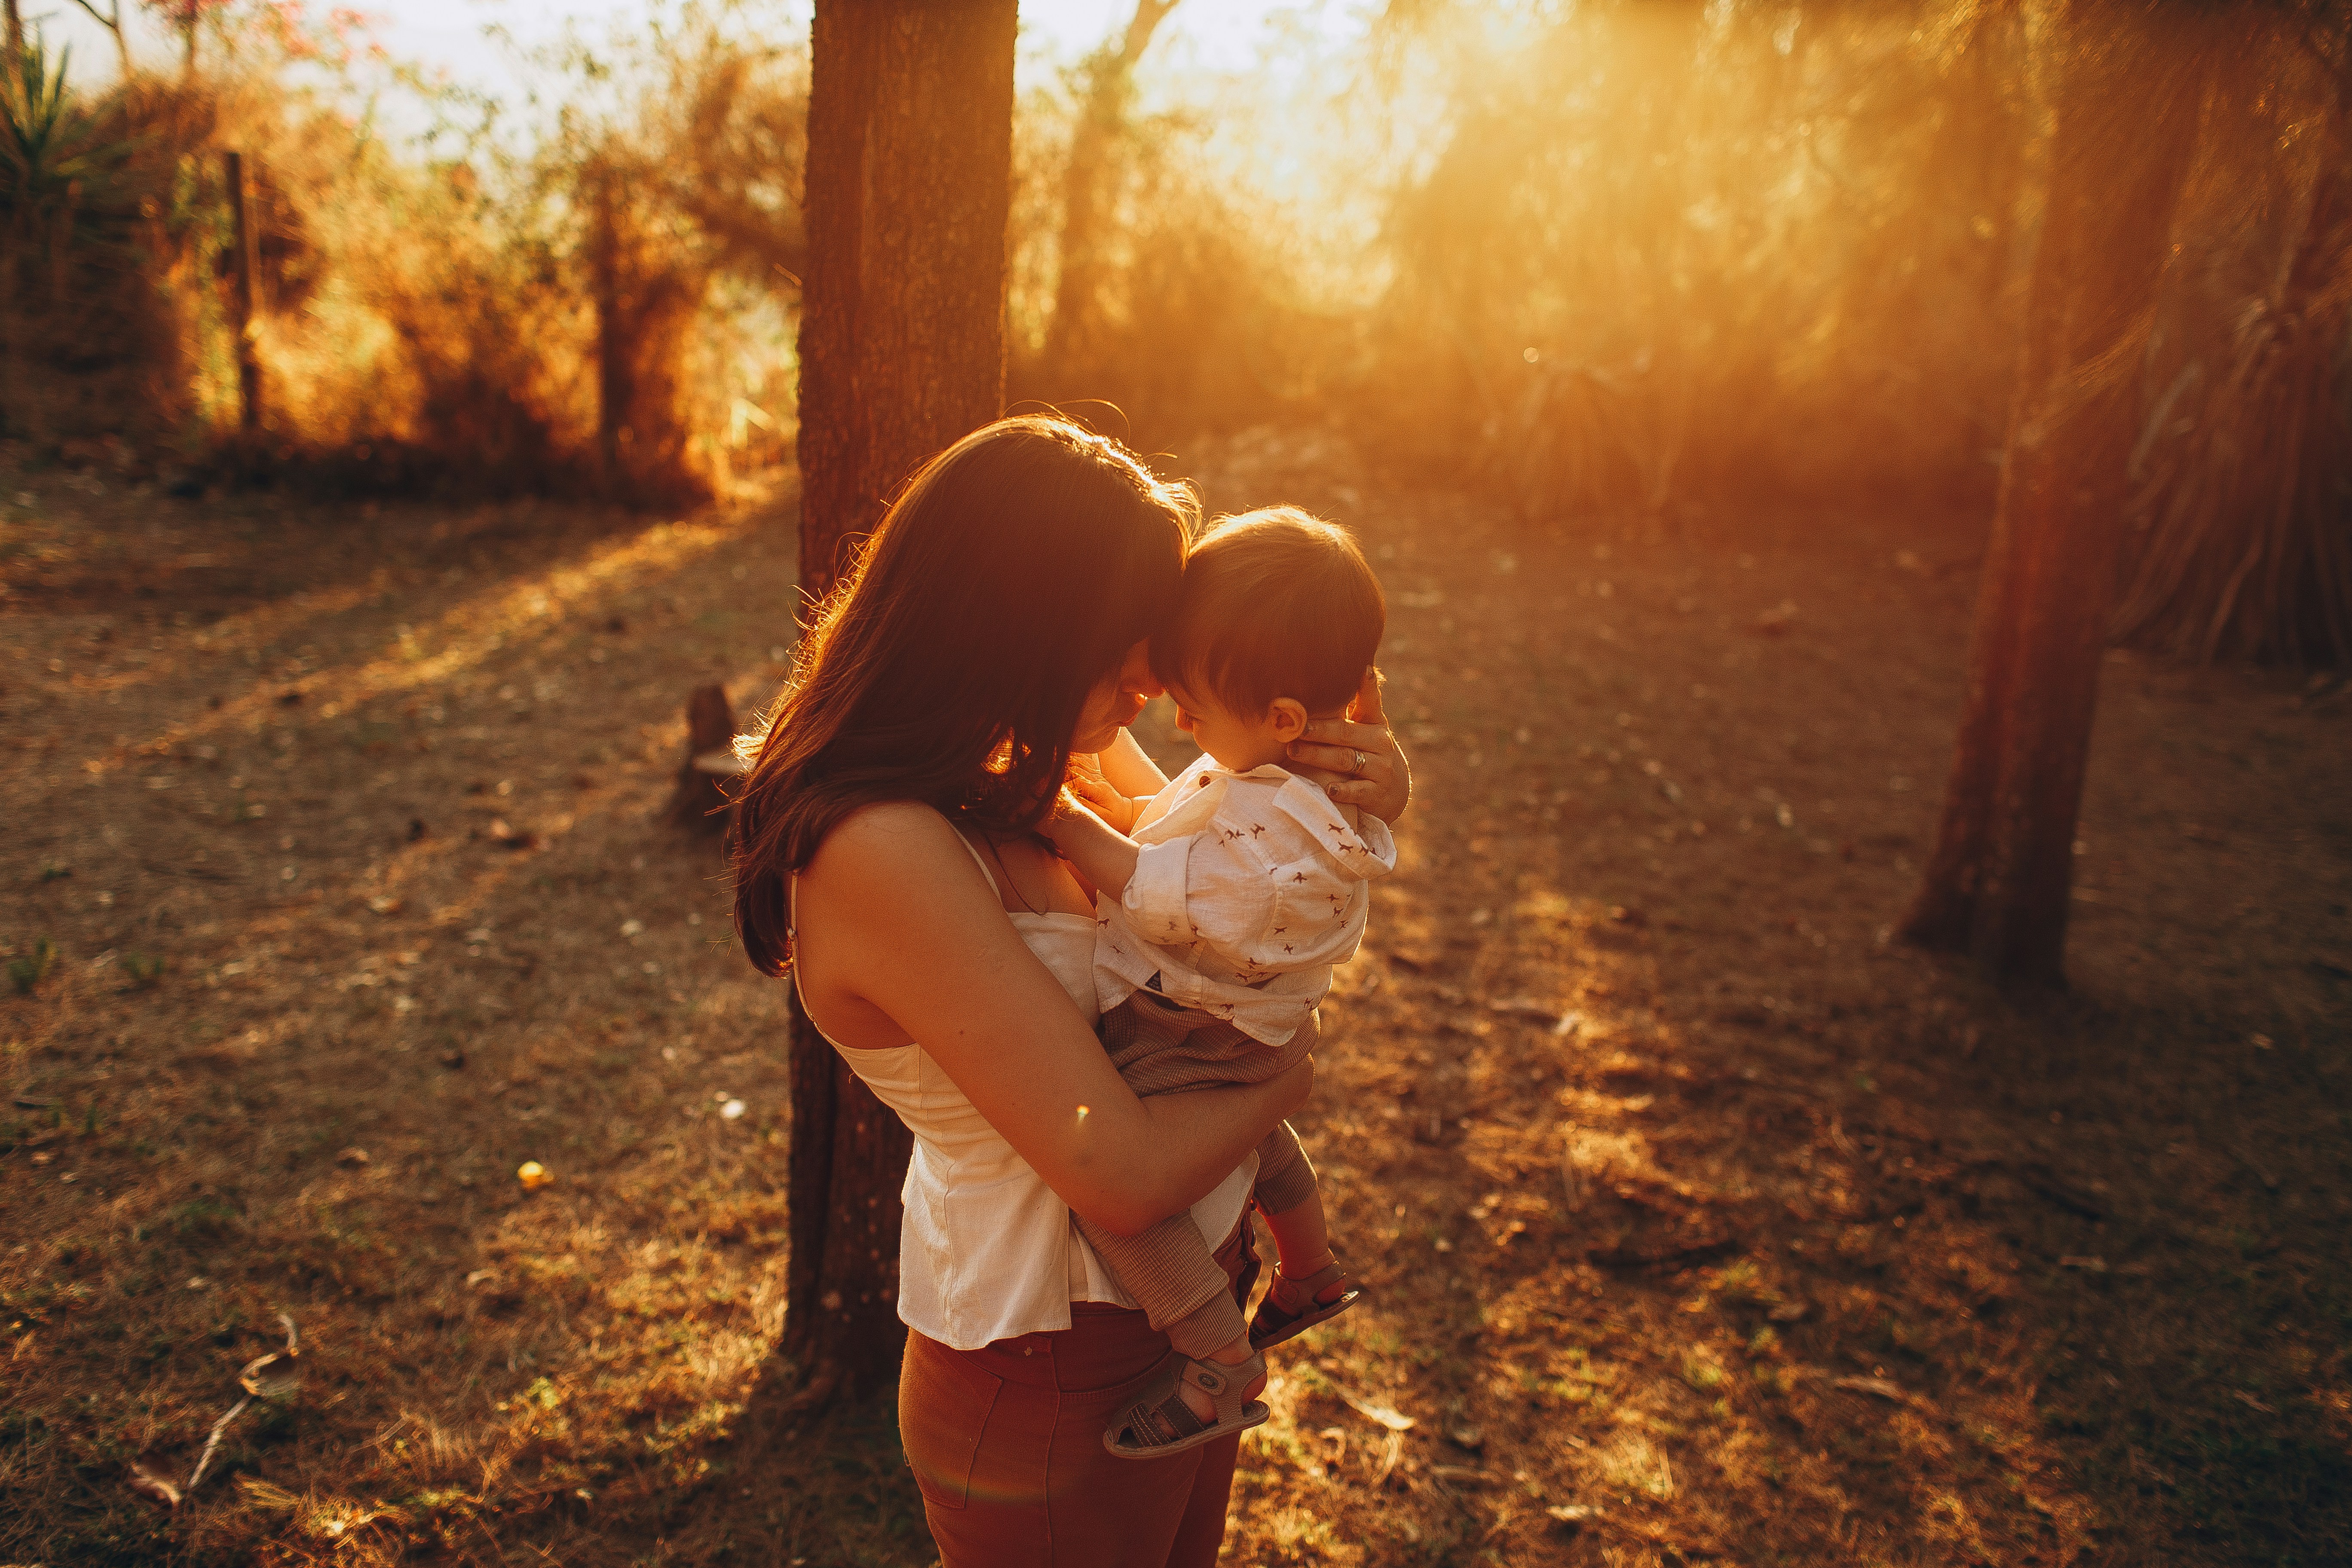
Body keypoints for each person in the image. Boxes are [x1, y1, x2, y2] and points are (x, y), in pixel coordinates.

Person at [729, 416, 1412, 1567]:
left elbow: (1230, 871)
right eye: (1123, 642)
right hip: (1047, 1362)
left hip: (1187, 1321)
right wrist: (1291, 1069)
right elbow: (1120, 1171)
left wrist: (1359, 789)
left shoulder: (1050, 754)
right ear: (1019, 626)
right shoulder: (881, 846)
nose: (1151, 676)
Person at [1043, 507, 1391, 1459]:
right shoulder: (1284, 780)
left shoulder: (1285, 833)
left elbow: (1171, 899)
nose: (1177, 718)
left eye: (1193, 703)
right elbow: (1182, 829)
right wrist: (1124, 811)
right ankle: (1311, 1271)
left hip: (1188, 1028)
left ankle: (1215, 1358)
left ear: (1282, 718)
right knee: (1257, 1134)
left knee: (1117, 1195)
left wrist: (1068, 823)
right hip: (1248, 1030)